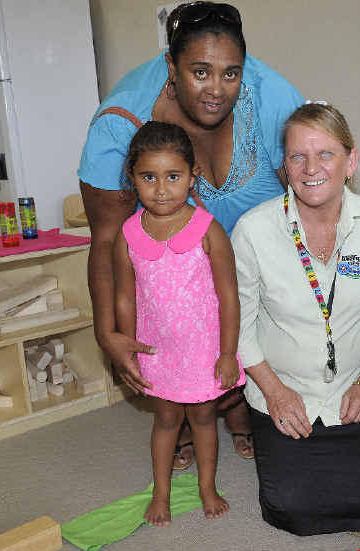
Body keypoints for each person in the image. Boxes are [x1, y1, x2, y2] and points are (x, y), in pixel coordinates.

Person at [78, 2, 303, 466]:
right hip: (172, 282)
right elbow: (106, 238)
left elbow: (308, 203)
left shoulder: (273, 98)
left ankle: (240, 402)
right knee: (173, 342)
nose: (216, 91)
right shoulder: (119, 124)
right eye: (199, 72)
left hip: (256, 260)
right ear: (171, 69)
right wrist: (108, 333)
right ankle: (178, 414)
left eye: (230, 74)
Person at [232, 103, 360, 535]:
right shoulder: (253, 231)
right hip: (282, 391)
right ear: (285, 166)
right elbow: (238, 329)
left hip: (355, 390)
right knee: (289, 509)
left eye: (325, 154)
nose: (311, 168)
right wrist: (274, 392)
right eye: (298, 156)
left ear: (351, 162)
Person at [112, 121, 240, 525]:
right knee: (166, 420)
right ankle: (161, 492)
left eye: (173, 176)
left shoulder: (209, 230)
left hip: (203, 351)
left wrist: (228, 352)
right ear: (132, 178)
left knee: (203, 419)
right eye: (149, 177)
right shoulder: (128, 234)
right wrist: (128, 347)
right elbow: (124, 297)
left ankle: (207, 487)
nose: (162, 188)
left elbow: (229, 296)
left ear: (192, 176)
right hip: (156, 351)